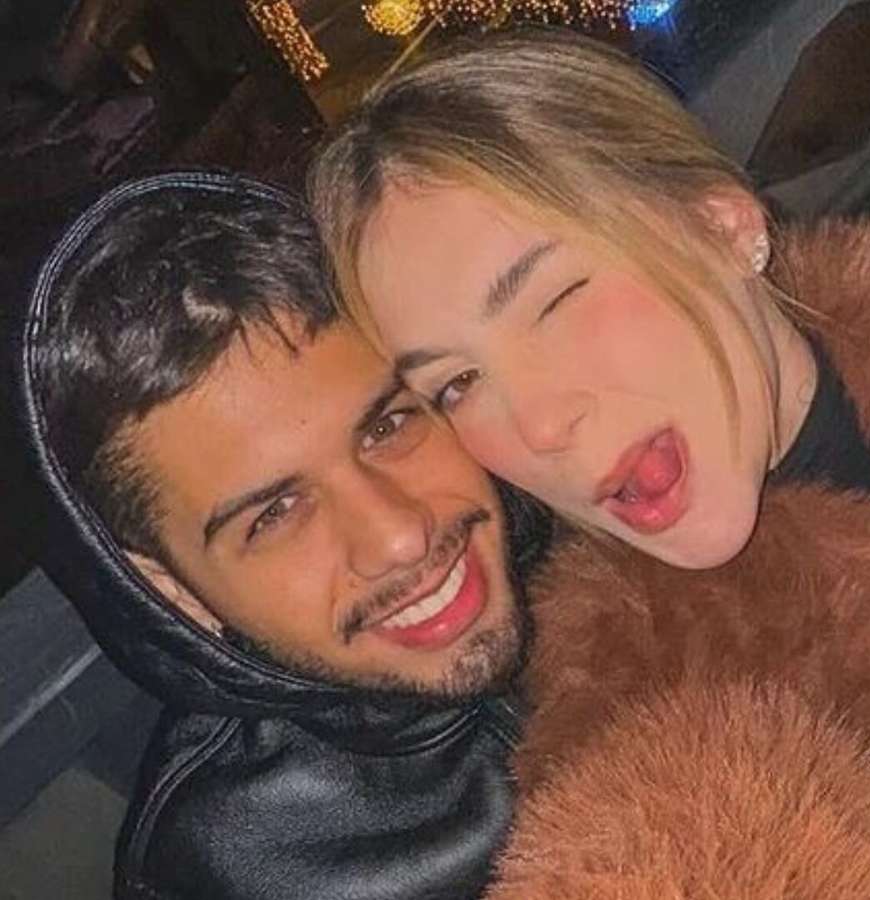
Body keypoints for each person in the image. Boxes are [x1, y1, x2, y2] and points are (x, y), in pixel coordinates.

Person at [310, 24, 870, 833]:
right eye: (458, 385)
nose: (539, 424)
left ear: (724, 225)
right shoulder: (645, 721)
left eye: (555, 299)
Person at [17, 170, 551, 900]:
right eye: (273, 515)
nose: (398, 536)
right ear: (171, 590)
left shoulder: (599, 509)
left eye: (387, 426)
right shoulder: (233, 875)